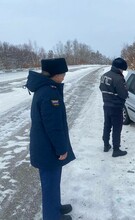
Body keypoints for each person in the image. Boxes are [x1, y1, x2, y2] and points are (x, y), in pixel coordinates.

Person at [26, 58, 75, 220]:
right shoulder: (49, 93)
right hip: (48, 149)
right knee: (50, 184)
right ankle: (51, 217)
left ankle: (55, 207)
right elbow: (53, 126)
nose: (64, 77)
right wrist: (61, 149)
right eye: (62, 74)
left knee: (53, 182)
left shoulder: (48, 88)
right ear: (54, 74)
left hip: (46, 146)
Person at [99, 57, 129, 157]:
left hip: (106, 105)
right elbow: (123, 94)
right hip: (116, 107)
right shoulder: (118, 78)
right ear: (119, 68)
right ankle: (116, 150)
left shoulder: (104, 76)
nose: (122, 71)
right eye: (122, 69)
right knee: (117, 128)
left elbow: (101, 88)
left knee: (107, 126)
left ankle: (106, 145)